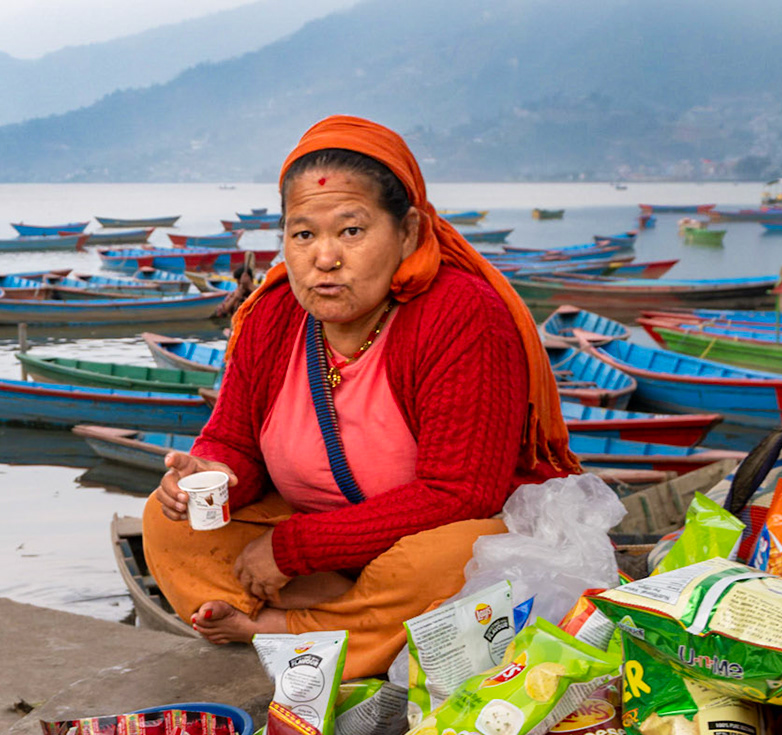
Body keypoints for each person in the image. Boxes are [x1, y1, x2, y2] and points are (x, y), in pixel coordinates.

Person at [143, 116, 578, 678]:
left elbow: (462, 491)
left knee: (456, 558)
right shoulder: (272, 314)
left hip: (422, 537)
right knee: (165, 521)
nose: (324, 258)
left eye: (351, 231)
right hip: (318, 531)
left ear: (410, 231)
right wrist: (214, 474)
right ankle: (355, 619)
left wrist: (294, 551)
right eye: (303, 235)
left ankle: (284, 627)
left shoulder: (463, 314)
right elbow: (234, 439)